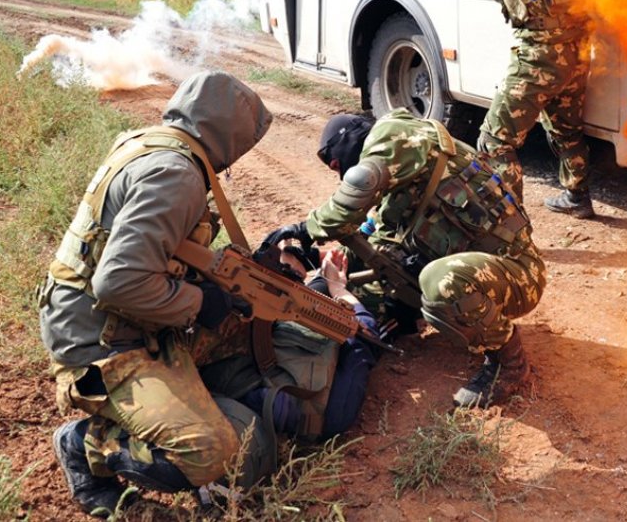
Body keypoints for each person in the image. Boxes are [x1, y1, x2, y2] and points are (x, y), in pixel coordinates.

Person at [38, 72, 379, 518]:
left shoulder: (154, 146)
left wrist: (225, 285)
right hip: (103, 343)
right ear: (227, 135)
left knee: (255, 326)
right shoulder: (175, 173)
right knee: (214, 450)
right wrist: (200, 302)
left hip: (124, 317)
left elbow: (159, 250)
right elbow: (117, 282)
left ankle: (187, 399)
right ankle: (88, 445)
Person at [301, 109, 547, 409]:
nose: (342, 175)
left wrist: (304, 230)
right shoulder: (407, 175)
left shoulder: (395, 137)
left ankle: (508, 363)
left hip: (519, 275)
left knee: (440, 283)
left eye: (339, 166)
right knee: (370, 293)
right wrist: (320, 269)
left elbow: (351, 198)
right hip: (479, 272)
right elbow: (377, 241)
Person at [448, 0, 597, 219]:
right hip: (577, 49)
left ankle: (510, 224)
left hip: (539, 55)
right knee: (566, 128)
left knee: (495, 140)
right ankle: (578, 196)